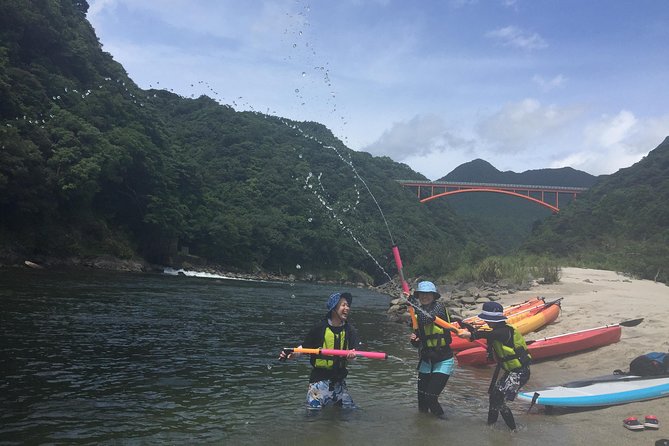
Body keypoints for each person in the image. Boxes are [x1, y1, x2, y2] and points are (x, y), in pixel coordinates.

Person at [458, 301, 531, 431]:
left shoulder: (504, 331)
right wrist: (466, 327)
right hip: (510, 371)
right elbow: (486, 335)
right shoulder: (496, 330)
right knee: (493, 397)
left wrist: (471, 335)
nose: (487, 322)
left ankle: (513, 431)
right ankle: (491, 427)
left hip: (520, 372)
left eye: (489, 320)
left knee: (499, 400)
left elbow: (489, 335)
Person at [279, 292, 358, 410]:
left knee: (352, 413)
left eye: (348, 305)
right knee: (313, 417)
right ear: (334, 308)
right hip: (319, 382)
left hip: (339, 383)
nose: (347, 308)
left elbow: (354, 355)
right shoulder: (319, 328)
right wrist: (292, 354)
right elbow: (305, 348)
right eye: (343, 305)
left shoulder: (350, 331)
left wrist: (352, 357)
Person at [409, 281, 454, 420]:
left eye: (428, 294)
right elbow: (418, 342)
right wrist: (414, 340)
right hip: (426, 361)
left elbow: (427, 318)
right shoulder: (416, 314)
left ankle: (443, 423)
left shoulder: (439, 308)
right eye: (422, 294)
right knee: (422, 403)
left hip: (443, 360)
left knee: (430, 397)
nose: (425, 296)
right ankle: (424, 432)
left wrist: (412, 304)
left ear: (434, 296)